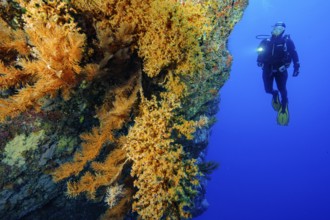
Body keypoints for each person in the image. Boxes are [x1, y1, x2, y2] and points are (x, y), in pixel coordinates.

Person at [257, 22, 300, 126]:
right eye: (276, 27)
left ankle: (284, 105)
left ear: (283, 30)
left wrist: (296, 67)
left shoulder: (287, 41)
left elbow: (294, 53)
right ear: (273, 28)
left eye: (280, 28)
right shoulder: (265, 41)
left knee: (282, 89)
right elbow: (259, 52)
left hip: (281, 70)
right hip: (267, 69)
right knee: (268, 90)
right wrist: (258, 60)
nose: (278, 29)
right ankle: (274, 94)